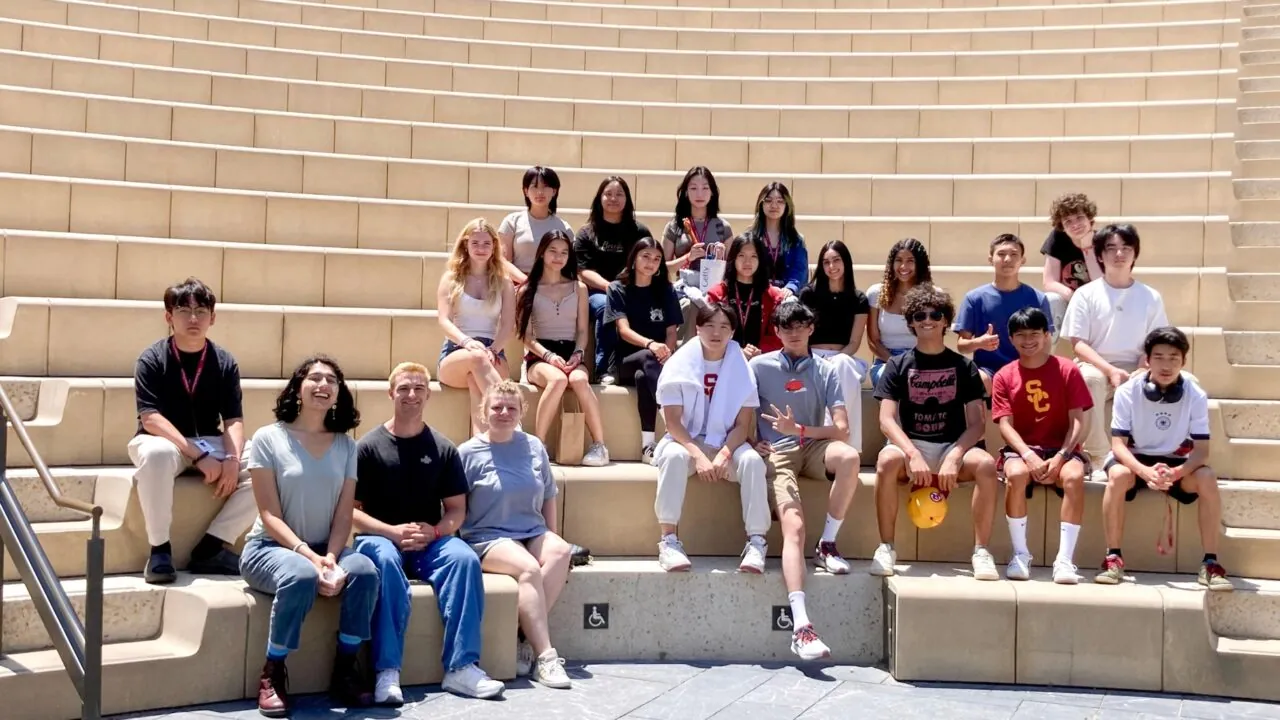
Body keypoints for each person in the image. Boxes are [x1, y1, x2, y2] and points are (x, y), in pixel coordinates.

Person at [352, 362, 505, 705]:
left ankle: (461, 668)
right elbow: (351, 510)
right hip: (380, 539)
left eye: (419, 388)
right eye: (404, 388)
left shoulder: (443, 447)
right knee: (386, 561)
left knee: (464, 559)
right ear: (391, 393)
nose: (411, 395)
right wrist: (390, 532)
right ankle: (387, 671)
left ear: (428, 395)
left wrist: (435, 531)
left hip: (428, 542)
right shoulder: (367, 447)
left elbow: (456, 511)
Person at [241, 355, 379, 717]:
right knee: (301, 575)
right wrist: (310, 557)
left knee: (364, 571)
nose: (323, 385)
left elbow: (344, 514)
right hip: (269, 549)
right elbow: (268, 515)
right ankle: (273, 672)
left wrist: (331, 556)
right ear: (298, 388)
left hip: (325, 548)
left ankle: (345, 669)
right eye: (314, 378)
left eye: (331, 380)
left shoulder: (347, 446)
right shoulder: (268, 438)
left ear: (338, 392)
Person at [750, 302, 861, 661]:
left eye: (800, 325)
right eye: (786, 327)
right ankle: (801, 626)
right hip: (778, 454)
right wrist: (754, 441)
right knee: (793, 527)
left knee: (849, 457)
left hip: (813, 445)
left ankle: (828, 543)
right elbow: (742, 415)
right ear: (777, 332)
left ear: (811, 328)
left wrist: (799, 430)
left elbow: (842, 430)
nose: (794, 332)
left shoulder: (826, 370)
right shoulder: (758, 366)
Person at [129, 277, 256, 584]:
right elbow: (150, 419)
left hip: (210, 441)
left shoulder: (224, 361)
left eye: (201, 310)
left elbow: (233, 420)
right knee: (157, 454)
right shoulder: (152, 358)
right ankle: (159, 551)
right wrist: (199, 456)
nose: (193, 318)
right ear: (169, 317)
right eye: (184, 310)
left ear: (213, 317)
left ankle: (212, 547)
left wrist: (232, 459)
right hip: (162, 440)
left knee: (270, 458)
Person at [870, 284, 1000, 581]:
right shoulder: (897, 364)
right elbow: (887, 420)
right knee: (886, 462)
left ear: (945, 320)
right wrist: (912, 453)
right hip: (911, 445)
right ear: (911, 322)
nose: (927, 319)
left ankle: (981, 552)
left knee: (986, 465)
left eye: (935, 313)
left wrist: (955, 456)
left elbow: (977, 423)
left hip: (951, 445)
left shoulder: (964, 366)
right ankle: (886, 547)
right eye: (919, 314)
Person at [1095, 327, 1232, 591]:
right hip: (1135, 459)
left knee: (1207, 477)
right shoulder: (1127, 392)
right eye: (1158, 357)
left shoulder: (1195, 395)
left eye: (1173, 357)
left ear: (1184, 361)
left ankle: (1211, 563)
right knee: (1118, 475)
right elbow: (1118, 446)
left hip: (1176, 461)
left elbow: (1202, 451)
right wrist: (1145, 473)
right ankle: (1113, 557)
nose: (1166, 364)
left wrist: (1176, 473)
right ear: (1147, 359)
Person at [459, 381, 574, 689]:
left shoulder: (534, 446)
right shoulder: (467, 453)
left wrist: (550, 536)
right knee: (529, 568)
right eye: (496, 407)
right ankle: (546, 657)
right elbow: (455, 505)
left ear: (522, 411)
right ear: (484, 412)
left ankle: (522, 638)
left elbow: (549, 493)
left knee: (561, 552)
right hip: (486, 535)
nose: (504, 413)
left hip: (531, 529)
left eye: (511, 408)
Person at [652, 303, 771, 573]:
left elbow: (743, 426)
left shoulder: (742, 368)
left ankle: (756, 542)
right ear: (697, 328)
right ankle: (668, 541)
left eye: (724, 327)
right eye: (710, 326)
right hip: (687, 441)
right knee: (672, 456)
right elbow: (673, 424)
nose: (716, 332)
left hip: (727, 443)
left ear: (732, 332)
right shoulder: (677, 365)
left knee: (752, 462)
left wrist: (723, 454)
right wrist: (699, 456)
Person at [990, 308, 1092, 584]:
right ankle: (1021, 554)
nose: (1028, 340)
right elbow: (1004, 424)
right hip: (1022, 450)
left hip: (1062, 448)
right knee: (1016, 475)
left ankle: (1065, 560)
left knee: (1073, 477)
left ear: (1047, 335)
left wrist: (1060, 457)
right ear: (1011, 339)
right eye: (1021, 335)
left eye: (1035, 333)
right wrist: (1027, 455)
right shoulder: (1003, 375)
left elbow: (1079, 422)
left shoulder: (1067, 369)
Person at [1060, 223, 1168, 464]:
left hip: (1136, 364)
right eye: (1111, 248)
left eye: (1126, 248)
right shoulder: (1086, 294)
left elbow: (1156, 342)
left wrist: (1142, 366)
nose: (1119, 254)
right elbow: (1078, 343)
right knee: (1091, 379)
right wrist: (1109, 370)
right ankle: (1098, 456)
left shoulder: (1150, 296)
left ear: (1135, 254)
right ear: (1099, 255)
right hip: (1094, 363)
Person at [515, 230, 609, 466]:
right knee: (557, 380)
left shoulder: (579, 287)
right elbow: (525, 336)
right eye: (553, 251)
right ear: (542, 253)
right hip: (540, 355)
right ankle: (539, 445)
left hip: (572, 352)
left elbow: (582, 331)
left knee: (578, 381)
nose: (559, 257)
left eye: (564, 252)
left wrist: (578, 353)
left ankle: (600, 446)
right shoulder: (527, 289)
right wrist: (548, 355)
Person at [605, 237, 683, 463]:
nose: (651, 263)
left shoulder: (665, 289)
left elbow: (671, 332)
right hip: (624, 361)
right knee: (646, 360)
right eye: (646, 256)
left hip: (655, 364)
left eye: (657, 259)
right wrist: (651, 344)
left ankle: (648, 447)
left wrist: (666, 354)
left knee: (643, 376)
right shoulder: (617, 288)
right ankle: (672, 420)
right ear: (634, 259)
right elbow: (623, 330)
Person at [436, 218, 515, 435]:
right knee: (476, 359)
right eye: (475, 243)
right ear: (465, 245)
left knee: (475, 379)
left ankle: (480, 445)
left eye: (486, 243)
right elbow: (444, 320)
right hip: (457, 351)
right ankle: (515, 423)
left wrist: (493, 350)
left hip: (494, 351)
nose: (481, 249)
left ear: (494, 247)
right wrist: (469, 343)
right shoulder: (451, 278)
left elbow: (508, 324)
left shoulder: (504, 282)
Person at [574, 176, 653, 382]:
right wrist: (610, 287)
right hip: (597, 293)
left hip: (633, 289)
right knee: (606, 305)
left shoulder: (639, 232)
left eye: (619, 194)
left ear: (627, 199)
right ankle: (604, 369)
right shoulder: (586, 233)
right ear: (599, 198)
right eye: (608, 193)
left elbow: (651, 262)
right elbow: (583, 271)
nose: (613, 198)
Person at [954, 234, 1055, 391]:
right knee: (979, 380)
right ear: (990, 259)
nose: (1007, 259)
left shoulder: (1038, 298)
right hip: (988, 370)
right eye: (1001, 254)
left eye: (1014, 254)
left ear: (1023, 260)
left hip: (1026, 367)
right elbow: (962, 345)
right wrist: (979, 342)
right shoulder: (974, 298)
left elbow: (1046, 340)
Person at [800, 240, 870, 453]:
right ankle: (832, 441)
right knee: (837, 368)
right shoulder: (808, 294)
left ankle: (847, 445)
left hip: (844, 355)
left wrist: (836, 358)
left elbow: (855, 342)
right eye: (826, 262)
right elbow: (802, 332)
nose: (832, 267)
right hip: (812, 355)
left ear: (846, 262)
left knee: (842, 366)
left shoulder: (858, 298)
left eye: (836, 260)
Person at [706, 235, 786, 361]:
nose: (747, 262)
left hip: (762, 360)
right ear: (733, 258)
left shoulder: (773, 296)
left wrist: (760, 351)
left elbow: (779, 334)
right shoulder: (718, 294)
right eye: (741, 256)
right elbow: (709, 332)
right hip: (724, 359)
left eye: (753, 256)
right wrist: (736, 351)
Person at [661, 166, 734, 305]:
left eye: (705, 188)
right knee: (688, 306)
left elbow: (732, 269)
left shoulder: (723, 227)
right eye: (693, 188)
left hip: (715, 290)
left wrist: (720, 259)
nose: (699, 194)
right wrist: (687, 257)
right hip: (684, 289)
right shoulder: (674, 226)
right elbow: (662, 268)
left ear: (712, 192)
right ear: (686, 193)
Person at [867, 238, 934, 387]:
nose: (903, 266)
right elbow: (873, 341)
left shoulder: (932, 296)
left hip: (921, 359)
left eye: (910, 261)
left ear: (919, 264)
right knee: (890, 377)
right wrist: (896, 363)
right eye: (899, 260)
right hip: (886, 361)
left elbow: (934, 339)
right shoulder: (875, 293)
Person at [498, 166, 573, 284]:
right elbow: (503, 261)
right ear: (525, 191)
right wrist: (526, 282)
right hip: (519, 284)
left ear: (554, 191)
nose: (540, 192)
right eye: (534, 186)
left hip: (552, 285)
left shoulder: (564, 228)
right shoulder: (512, 222)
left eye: (545, 186)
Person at [1041, 193, 1102, 336]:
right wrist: (1075, 297)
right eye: (1068, 221)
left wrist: (1087, 248)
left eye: (1080, 218)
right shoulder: (1058, 238)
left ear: (1090, 219)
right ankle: (1047, 353)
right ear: (1062, 226)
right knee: (1051, 299)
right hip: (1070, 299)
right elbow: (1049, 282)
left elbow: (1101, 285)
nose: (1075, 225)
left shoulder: (1103, 240)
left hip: (1097, 303)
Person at [741, 182, 809, 298]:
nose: (774, 205)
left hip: (786, 293)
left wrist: (790, 288)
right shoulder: (750, 238)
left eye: (780, 201)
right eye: (768, 200)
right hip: (757, 291)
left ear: (787, 205)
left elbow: (799, 270)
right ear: (761, 204)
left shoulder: (796, 239)